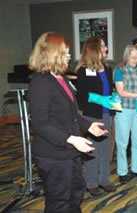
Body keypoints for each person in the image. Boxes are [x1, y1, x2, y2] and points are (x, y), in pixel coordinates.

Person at [28, 32, 108, 212]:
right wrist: (72, 139)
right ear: (52, 53)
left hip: (69, 152)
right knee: (59, 203)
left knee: (76, 194)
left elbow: (73, 114)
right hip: (52, 154)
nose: (70, 56)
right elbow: (40, 124)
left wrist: (89, 126)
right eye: (65, 52)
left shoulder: (61, 78)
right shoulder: (40, 82)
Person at [76, 36, 116, 197]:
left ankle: (104, 180)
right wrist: (100, 99)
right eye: (103, 46)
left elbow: (109, 90)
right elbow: (83, 98)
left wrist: (113, 100)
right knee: (92, 150)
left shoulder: (107, 69)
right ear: (94, 49)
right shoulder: (83, 70)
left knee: (106, 149)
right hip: (92, 116)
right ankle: (91, 183)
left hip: (108, 113)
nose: (106, 48)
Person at [114, 45, 137, 183]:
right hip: (124, 109)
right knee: (123, 142)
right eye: (133, 57)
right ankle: (122, 172)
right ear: (127, 56)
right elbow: (121, 92)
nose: (136, 60)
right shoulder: (119, 70)